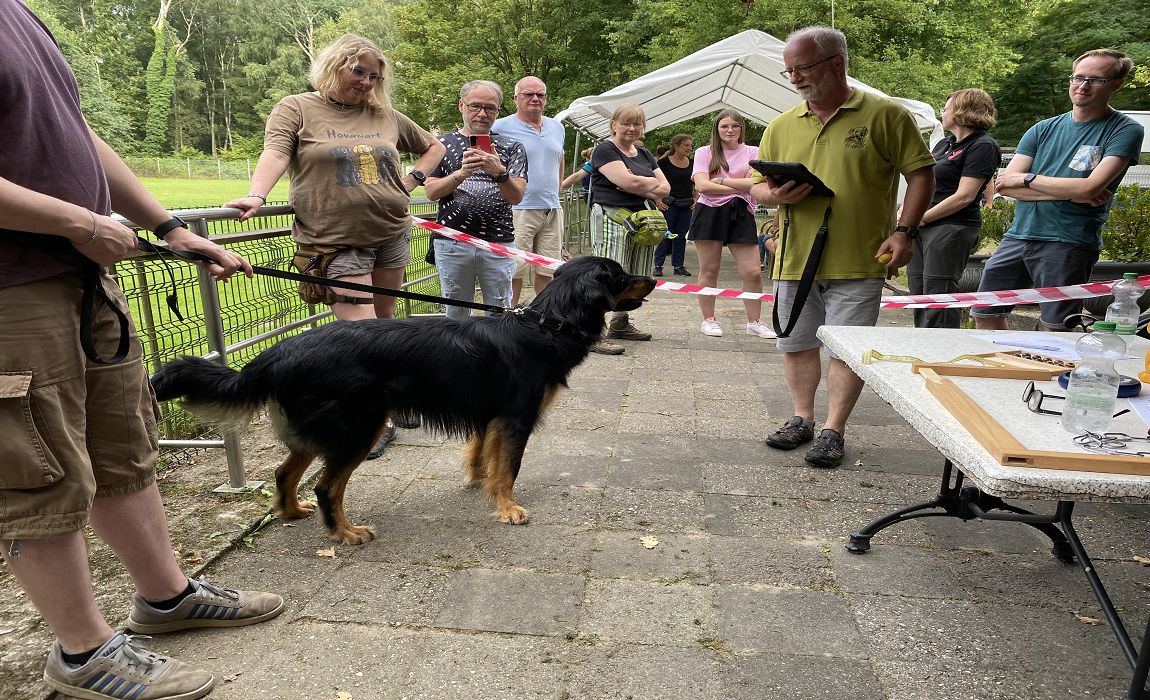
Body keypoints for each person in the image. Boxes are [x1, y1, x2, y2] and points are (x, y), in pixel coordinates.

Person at [0, 2, 284, 698]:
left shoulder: (18, 13)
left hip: (83, 275)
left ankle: (166, 597)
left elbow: (77, 132)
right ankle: (83, 651)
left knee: (121, 446)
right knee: (38, 470)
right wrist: (80, 222)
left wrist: (168, 226)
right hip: (12, 291)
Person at [224, 33, 445, 456]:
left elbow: (433, 146)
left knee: (385, 324)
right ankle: (372, 421)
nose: (365, 82)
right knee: (361, 335)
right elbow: (274, 153)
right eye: (357, 71)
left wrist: (411, 180)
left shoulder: (385, 114)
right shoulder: (297, 108)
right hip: (333, 241)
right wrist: (257, 194)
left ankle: (391, 403)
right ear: (334, 65)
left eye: (373, 76)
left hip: (391, 231)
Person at [749, 26, 935, 468]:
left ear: (837, 63)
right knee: (794, 342)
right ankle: (801, 418)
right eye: (789, 70)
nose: (794, 78)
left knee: (847, 349)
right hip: (795, 256)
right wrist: (776, 196)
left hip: (861, 256)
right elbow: (757, 188)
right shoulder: (781, 124)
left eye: (803, 68)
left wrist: (904, 231)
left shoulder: (886, 114)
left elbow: (922, 175)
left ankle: (834, 429)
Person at [971, 49, 1144, 332]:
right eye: (1078, 77)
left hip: (1069, 242)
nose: (1083, 85)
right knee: (985, 312)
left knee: (1057, 326)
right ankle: (1004, 369)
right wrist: (1073, 191)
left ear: (1117, 84)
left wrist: (1027, 180)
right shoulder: (1043, 128)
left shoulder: (1124, 130)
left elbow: (1090, 186)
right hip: (1018, 235)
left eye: (1096, 80)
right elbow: (1005, 184)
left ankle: (1052, 374)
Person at [424, 80, 527, 318]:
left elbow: (517, 197)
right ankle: (459, 357)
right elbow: (431, 192)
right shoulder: (440, 145)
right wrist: (460, 174)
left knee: (499, 313)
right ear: (461, 106)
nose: (482, 113)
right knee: (456, 314)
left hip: (498, 242)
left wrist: (500, 173)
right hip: (452, 241)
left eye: (490, 108)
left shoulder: (512, 147)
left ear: (498, 111)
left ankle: (497, 356)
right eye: (475, 106)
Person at [905, 88, 1001, 328]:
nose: (942, 113)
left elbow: (964, 196)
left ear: (961, 111)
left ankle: (941, 355)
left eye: (945, 108)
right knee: (918, 290)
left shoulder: (982, 146)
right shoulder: (945, 144)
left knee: (939, 292)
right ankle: (920, 348)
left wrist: (921, 218)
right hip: (920, 226)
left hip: (950, 226)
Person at [588, 103, 671, 355]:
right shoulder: (605, 149)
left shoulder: (645, 155)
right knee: (608, 272)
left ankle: (620, 323)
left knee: (633, 274)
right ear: (614, 124)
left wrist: (638, 184)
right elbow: (626, 180)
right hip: (611, 216)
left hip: (640, 220)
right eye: (626, 123)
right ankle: (594, 333)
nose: (632, 128)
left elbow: (666, 189)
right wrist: (647, 183)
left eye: (637, 124)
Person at [690, 111, 776, 339]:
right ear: (716, 129)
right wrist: (741, 186)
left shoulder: (754, 152)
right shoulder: (704, 152)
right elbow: (703, 187)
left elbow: (757, 182)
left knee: (753, 271)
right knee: (709, 270)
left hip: (741, 212)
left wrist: (721, 180)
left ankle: (755, 321)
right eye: (724, 126)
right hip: (709, 212)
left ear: (741, 129)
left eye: (735, 126)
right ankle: (708, 319)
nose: (730, 130)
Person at [493, 77, 565, 306]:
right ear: (516, 99)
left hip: (551, 207)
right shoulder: (500, 126)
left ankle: (543, 317)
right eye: (528, 94)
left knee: (548, 268)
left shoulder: (557, 126)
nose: (535, 98)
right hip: (518, 208)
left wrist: (557, 189)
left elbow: (559, 159)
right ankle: (509, 318)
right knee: (515, 269)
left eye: (540, 95)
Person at [654, 133, 695, 277]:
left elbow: (696, 182)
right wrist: (657, 200)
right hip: (668, 204)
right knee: (666, 234)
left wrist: (696, 197)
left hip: (686, 204)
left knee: (680, 236)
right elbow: (655, 182)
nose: (689, 148)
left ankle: (678, 266)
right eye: (686, 145)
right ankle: (658, 265)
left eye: (691, 145)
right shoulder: (663, 163)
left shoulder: (693, 162)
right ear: (676, 145)